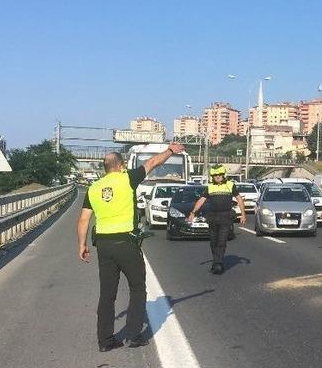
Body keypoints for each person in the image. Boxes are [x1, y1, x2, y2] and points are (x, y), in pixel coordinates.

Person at [77, 143, 185, 352]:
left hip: (104, 246)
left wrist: (81, 245)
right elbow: (153, 163)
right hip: (126, 243)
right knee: (137, 288)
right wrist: (171, 150)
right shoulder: (128, 178)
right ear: (120, 165)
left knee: (107, 294)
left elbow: (83, 220)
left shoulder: (94, 188)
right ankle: (133, 335)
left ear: (105, 168)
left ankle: (105, 341)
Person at [188, 165, 246, 274]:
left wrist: (243, 214)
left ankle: (218, 264)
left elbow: (239, 199)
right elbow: (201, 200)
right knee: (213, 240)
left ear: (223, 175)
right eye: (215, 175)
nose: (217, 177)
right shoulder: (210, 187)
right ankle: (216, 261)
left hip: (225, 216)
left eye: (219, 175)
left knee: (222, 240)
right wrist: (193, 212)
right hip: (212, 217)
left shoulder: (230, 185)